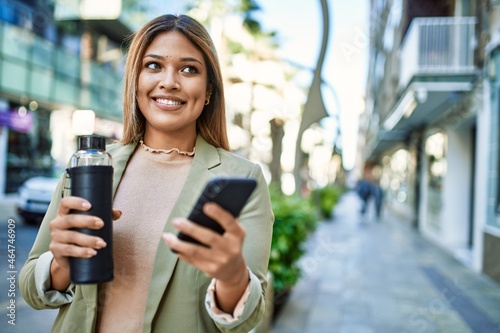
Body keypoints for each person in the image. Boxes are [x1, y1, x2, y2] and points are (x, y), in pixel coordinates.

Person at [19, 14, 274, 333]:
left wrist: (233, 276)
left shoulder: (242, 178)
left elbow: (248, 318)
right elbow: (30, 288)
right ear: (135, 80)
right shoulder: (91, 164)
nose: (169, 81)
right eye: (154, 65)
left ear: (208, 91)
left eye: (189, 69)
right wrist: (61, 264)